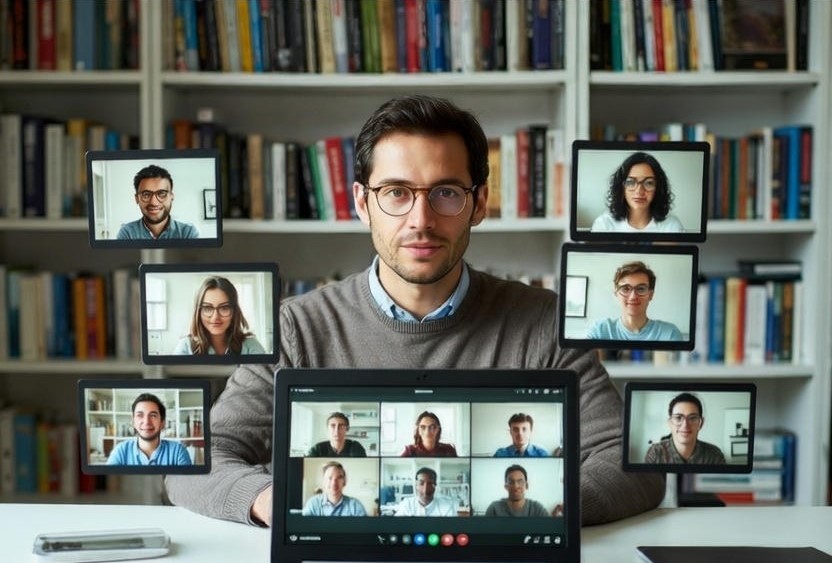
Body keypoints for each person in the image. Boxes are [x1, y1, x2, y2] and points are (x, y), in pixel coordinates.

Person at [165, 94, 664, 527]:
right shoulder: (294, 327)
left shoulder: (543, 325)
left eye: (446, 193)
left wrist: (536, 508)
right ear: (362, 203)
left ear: (480, 203)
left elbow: (631, 465)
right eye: (396, 193)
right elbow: (199, 462)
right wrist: (278, 503)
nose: (420, 220)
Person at [586, 261, 683, 341]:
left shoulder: (670, 333)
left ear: (651, 294)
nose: (633, 296)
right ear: (616, 293)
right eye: (625, 289)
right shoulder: (600, 331)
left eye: (641, 289)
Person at [590, 152, 684, 233]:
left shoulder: (671, 226)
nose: (639, 191)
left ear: (658, 188)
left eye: (649, 183)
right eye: (631, 182)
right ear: (622, 187)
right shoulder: (604, 225)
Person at [173, 276, 267, 355]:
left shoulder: (250, 346)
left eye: (224, 308)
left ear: (234, 311)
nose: (215, 317)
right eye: (208, 308)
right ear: (198, 312)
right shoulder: (185, 346)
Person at [116, 164, 199, 240]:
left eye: (162, 193)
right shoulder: (127, 233)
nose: (154, 202)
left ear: (172, 197)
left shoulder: (188, 233)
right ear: (137, 199)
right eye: (146, 194)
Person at [107, 393, 192, 466]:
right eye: (140, 415)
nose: (147, 422)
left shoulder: (178, 452)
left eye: (153, 415)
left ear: (162, 422)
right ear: (133, 422)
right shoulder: (120, 451)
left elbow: (186, 484)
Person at [644, 393, 727, 465]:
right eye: (678, 418)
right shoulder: (656, 453)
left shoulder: (714, 455)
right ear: (670, 423)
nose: (685, 425)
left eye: (692, 418)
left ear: (700, 423)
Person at [301, 461, 367, 516]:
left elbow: (364, 529)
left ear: (344, 481)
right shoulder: (313, 503)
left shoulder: (355, 505)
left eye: (339, 478)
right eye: (330, 478)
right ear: (324, 482)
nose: (334, 483)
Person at [485, 465, 550, 517]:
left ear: (526, 485)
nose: (516, 486)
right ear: (506, 486)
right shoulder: (494, 508)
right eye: (511, 482)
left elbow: (549, 530)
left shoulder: (537, 509)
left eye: (520, 481)